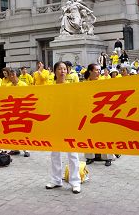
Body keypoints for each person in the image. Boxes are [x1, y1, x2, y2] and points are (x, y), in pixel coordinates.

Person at [45, 61, 81, 194]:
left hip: (69, 124)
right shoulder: (50, 88)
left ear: (68, 71)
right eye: (59, 69)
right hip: (55, 124)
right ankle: (56, 180)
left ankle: (75, 182)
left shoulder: (71, 88)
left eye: (64, 69)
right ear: (55, 72)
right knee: (55, 154)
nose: (62, 71)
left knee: (72, 154)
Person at [83, 64, 115, 166]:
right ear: (90, 71)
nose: (98, 72)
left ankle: (108, 157)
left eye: (99, 70)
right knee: (89, 135)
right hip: (88, 112)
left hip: (103, 111)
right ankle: (89, 156)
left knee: (105, 134)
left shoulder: (104, 82)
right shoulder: (84, 84)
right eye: (96, 70)